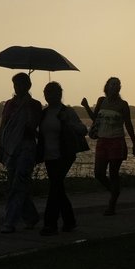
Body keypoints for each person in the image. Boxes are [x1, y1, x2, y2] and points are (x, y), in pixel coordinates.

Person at [80, 77, 135, 215]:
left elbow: (128, 124)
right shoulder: (101, 101)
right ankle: (114, 191)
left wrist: (134, 143)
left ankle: (112, 204)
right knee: (99, 173)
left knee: (113, 173)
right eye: (112, 84)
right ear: (107, 87)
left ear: (119, 88)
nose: (115, 87)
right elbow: (95, 119)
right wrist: (86, 106)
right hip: (102, 141)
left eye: (117, 85)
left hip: (117, 141)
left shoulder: (123, 104)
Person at [35, 81, 87, 236]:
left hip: (64, 155)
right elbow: (42, 133)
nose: (48, 96)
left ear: (59, 94)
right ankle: (69, 221)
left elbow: (83, 129)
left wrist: (67, 121)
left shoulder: (67, 112)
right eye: (46, 93)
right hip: (49, 156)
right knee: (58, 188)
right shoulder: (44, 113)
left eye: (51, 92)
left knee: (54, 188)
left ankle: (50, 224)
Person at [0, 72, 42, 232]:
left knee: (19, 183)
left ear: (28, 86)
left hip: (27, 147)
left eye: (20, 84)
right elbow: (3, 126)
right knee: (13, 184)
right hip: (10, 147)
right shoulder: (9, 104)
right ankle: (31, 216)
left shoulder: (34, 105)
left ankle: (10, 221)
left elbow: (33, 126)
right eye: (15, 84)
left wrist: (27, 109)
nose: (17, 88)